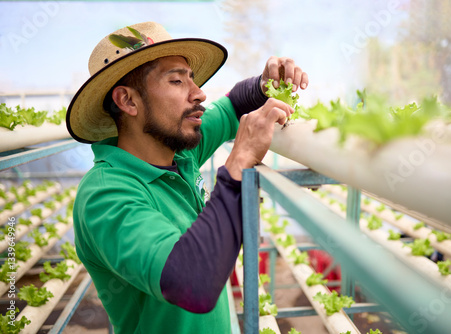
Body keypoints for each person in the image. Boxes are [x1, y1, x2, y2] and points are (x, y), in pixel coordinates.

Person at [67, 21, 308, 334]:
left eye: (192, 80)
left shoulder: (179, 153)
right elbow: (191, 282)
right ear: (128, 101)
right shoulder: (104, 195)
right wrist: (239, 163)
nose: (199, 93)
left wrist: (265, 84)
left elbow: (233, 106)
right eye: (177, 81)